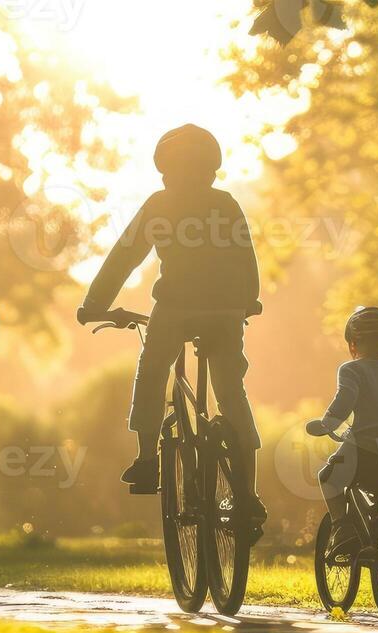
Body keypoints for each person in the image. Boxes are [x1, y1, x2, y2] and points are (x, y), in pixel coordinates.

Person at [77, 124, 267, 535]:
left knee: (153, 370)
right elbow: (245, 255)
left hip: (176, 307)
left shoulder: (160, 204)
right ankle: (248, 497)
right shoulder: (227, 203)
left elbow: (123, 257)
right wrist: (247, 299)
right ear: (212, 170)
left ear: (166, 171)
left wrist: (95, 305)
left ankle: (147, 462)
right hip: (225, 310)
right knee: (232, 393)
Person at [305, 307, 378, 554]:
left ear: (353, 343)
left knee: (328, 477)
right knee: (377, 494)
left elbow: (346, 397)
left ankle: (341, 528)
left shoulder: (351, 369)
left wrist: (327, 424)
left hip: (364, 447)